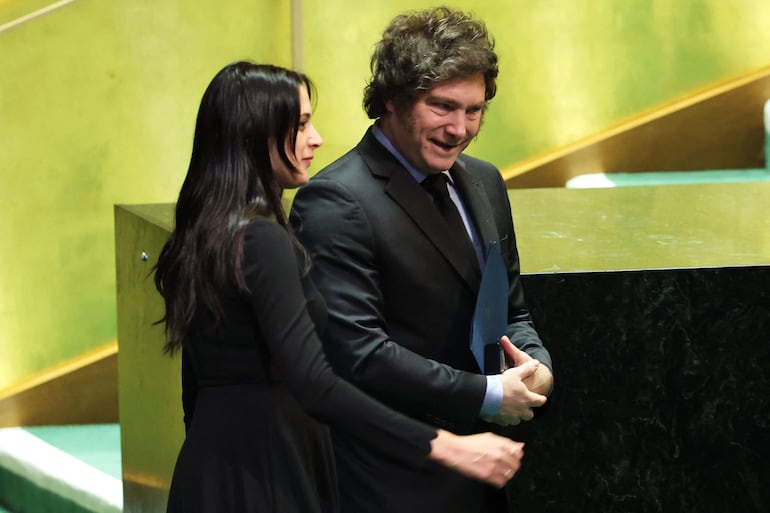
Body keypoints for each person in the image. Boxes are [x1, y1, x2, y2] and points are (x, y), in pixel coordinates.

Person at [153, 60, 530, 513]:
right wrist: (446, 445)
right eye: (300, 125)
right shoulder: (261, 238)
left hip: (210, 467)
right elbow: (316, 381)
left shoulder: (202, 231)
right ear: (253, 135)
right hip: (269, 468)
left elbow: (195, 386)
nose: (316, 139)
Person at [289, 7, 554, 513]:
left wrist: (538, 368)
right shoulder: (336, 201)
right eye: (442, 107)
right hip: (390, 478)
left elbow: (510, 312)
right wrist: (485, 394)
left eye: (474, 110)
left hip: (487, 474)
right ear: (391, 98)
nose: (459, 128)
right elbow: (357, 353)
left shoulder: (485, 182)